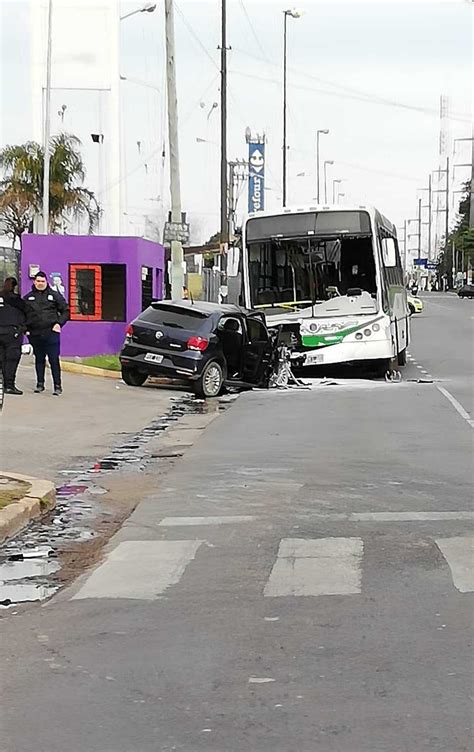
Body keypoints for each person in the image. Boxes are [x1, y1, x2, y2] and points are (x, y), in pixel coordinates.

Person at [24, 271, 69, 396]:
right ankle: (40, 384)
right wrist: (25, 329)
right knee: (39, 359)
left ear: (46, 282)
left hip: (51, 332)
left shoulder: (54, 296)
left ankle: (57, 386)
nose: (40, 283)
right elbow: (22, 315)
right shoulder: (28, 298)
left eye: (42, 281)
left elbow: (66, 310)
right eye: (38, 281)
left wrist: (59, 324)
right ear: (34, 282)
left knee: (54, 359)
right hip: (35, 333)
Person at [0, 277, 27, 395]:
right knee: (11, 360)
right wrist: (23, 328)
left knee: (1, 359)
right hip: (12, 333)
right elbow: (27, 313)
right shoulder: (16, 300)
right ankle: (9, 385)